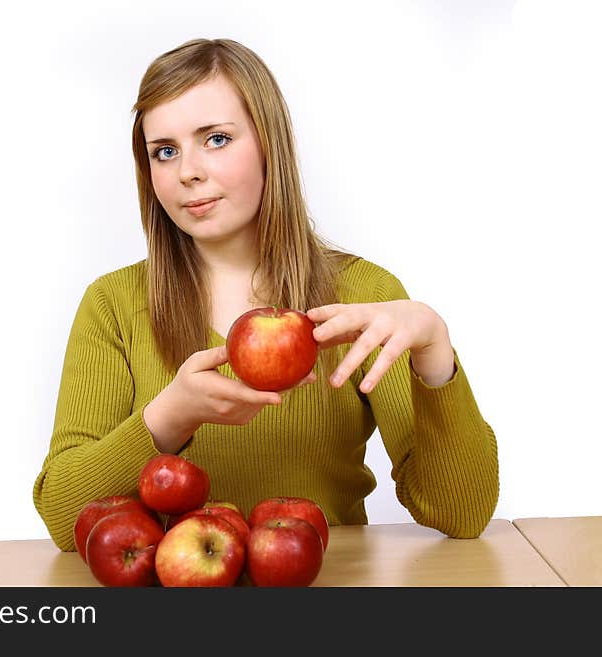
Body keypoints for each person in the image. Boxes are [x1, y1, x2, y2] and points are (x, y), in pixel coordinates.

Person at [33, 38, 498, 553]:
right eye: (165, 151)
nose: (187, 170)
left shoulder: (365, 296)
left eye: (215, 139)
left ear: (268, 143)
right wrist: (169, 417)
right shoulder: (112, 306)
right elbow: (63, 518)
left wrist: (434, 353)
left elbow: (464, 513)